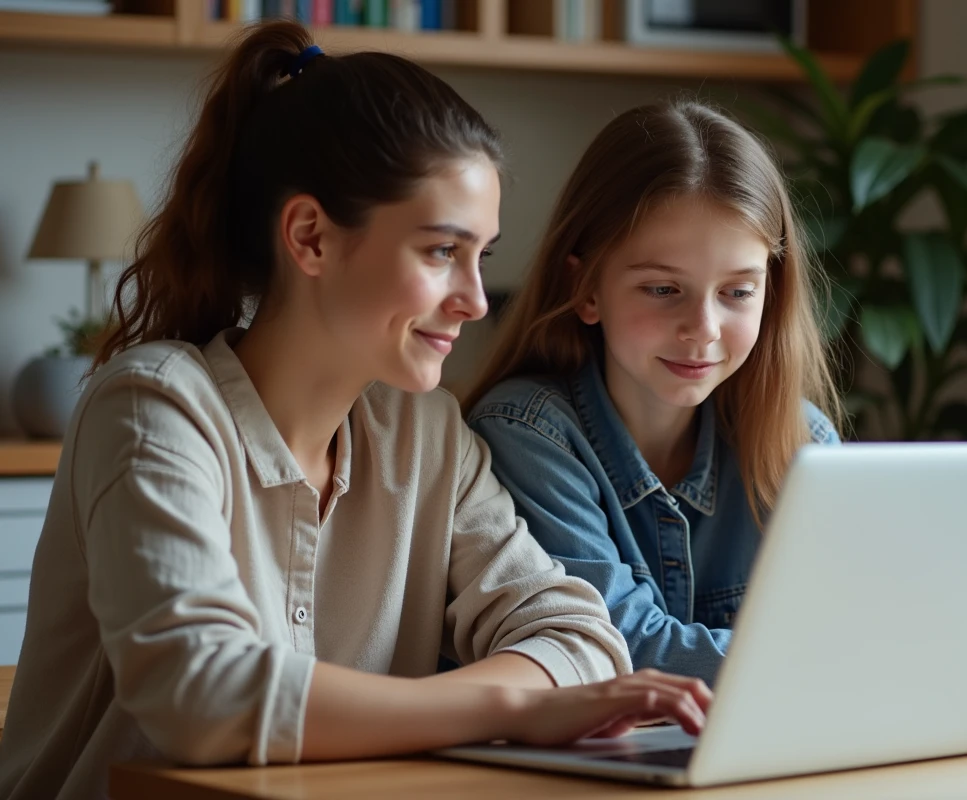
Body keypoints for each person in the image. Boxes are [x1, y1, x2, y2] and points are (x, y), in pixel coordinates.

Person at [0, 23, 709, 800]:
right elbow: (201, 696)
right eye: (442, 251)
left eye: (483, 257)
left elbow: (583, 638)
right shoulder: (155, 409)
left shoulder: (426, 433)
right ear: (310, 237)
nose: (474, 301)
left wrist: (513, 699)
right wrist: (507, 704)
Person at [465, 100, 842, 687]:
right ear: (586, 288)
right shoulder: (527, 432)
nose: (704, 328)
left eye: (738, 292)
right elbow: (625, 646)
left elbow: (848, 624)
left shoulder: (804, 442)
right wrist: (834, 662)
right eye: (663, 288)